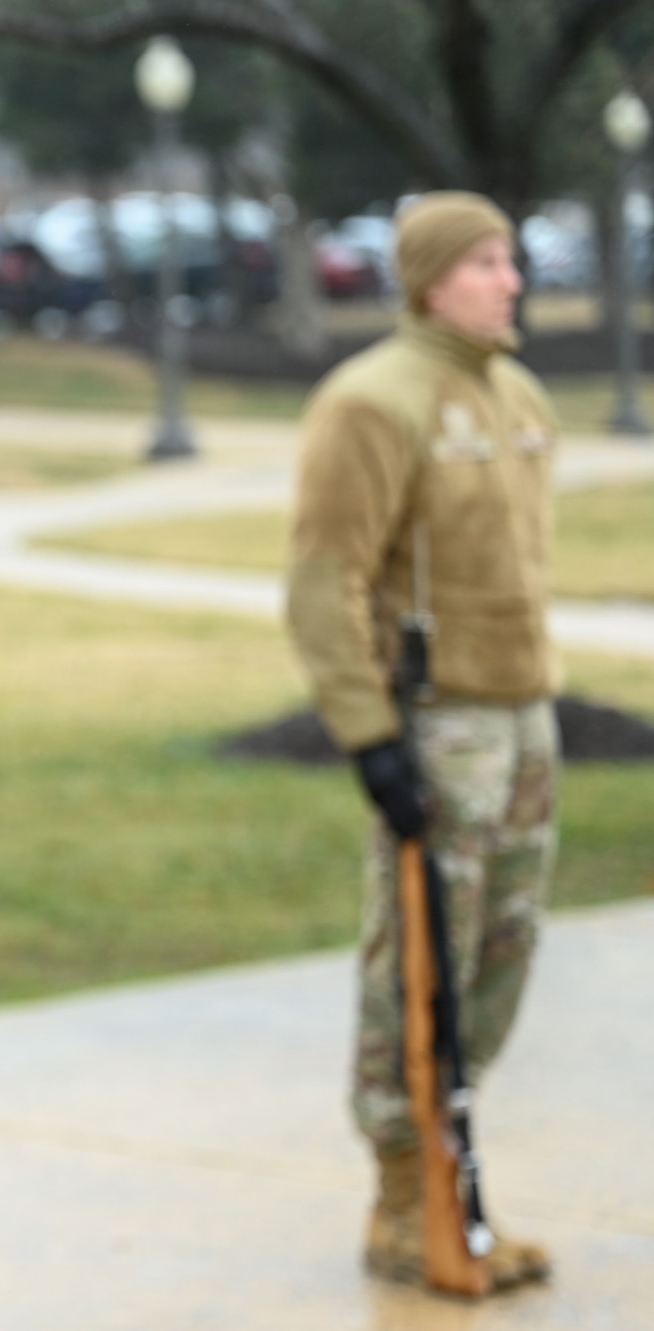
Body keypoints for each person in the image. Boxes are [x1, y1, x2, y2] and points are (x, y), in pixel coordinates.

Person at [285, 191, 557, 1293]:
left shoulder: (517, 392)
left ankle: (456, 1180)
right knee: (416, 963)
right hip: (436, 724)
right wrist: (367, 733)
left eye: (509, 259)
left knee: (499, 949)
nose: (509, 281)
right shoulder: (371, 401)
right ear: (429, 276)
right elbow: (323, 579)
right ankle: (403, 1195)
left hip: (519, 712)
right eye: (485, 263)